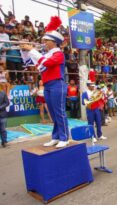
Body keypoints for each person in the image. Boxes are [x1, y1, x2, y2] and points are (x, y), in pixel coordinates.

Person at [20, 16, 70, 148]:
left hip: (57, 84)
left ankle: (65, 137)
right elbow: (29, 63)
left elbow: (45, 63)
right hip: (48, 85)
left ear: (54, 42)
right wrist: (24, 51)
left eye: (46, 40)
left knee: (59, 112)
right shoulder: (45, 54)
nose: (44, 42)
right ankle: (56, 137)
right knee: (52, 113)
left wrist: (32, 49)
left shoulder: (58, 54)